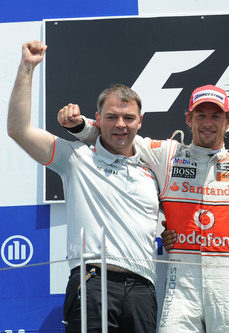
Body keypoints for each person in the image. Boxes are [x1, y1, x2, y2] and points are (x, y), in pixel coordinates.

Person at [58, 84, 229, 332]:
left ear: (228, 120)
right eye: (200, 115)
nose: (207, 122)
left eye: (216, 116)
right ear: (189, 118)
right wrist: (79, 124)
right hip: (182, 279)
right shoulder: (167, 154)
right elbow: (118, 134)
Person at [7, 41, 159, 332]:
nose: (120, 125)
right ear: (98, 120)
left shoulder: (153, 168)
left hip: (144, 287)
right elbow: (18, 130)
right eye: (112, 117)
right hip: (93, 282)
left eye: (128, 118)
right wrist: (27, 67)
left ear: (140, 122)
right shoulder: (75, 158)